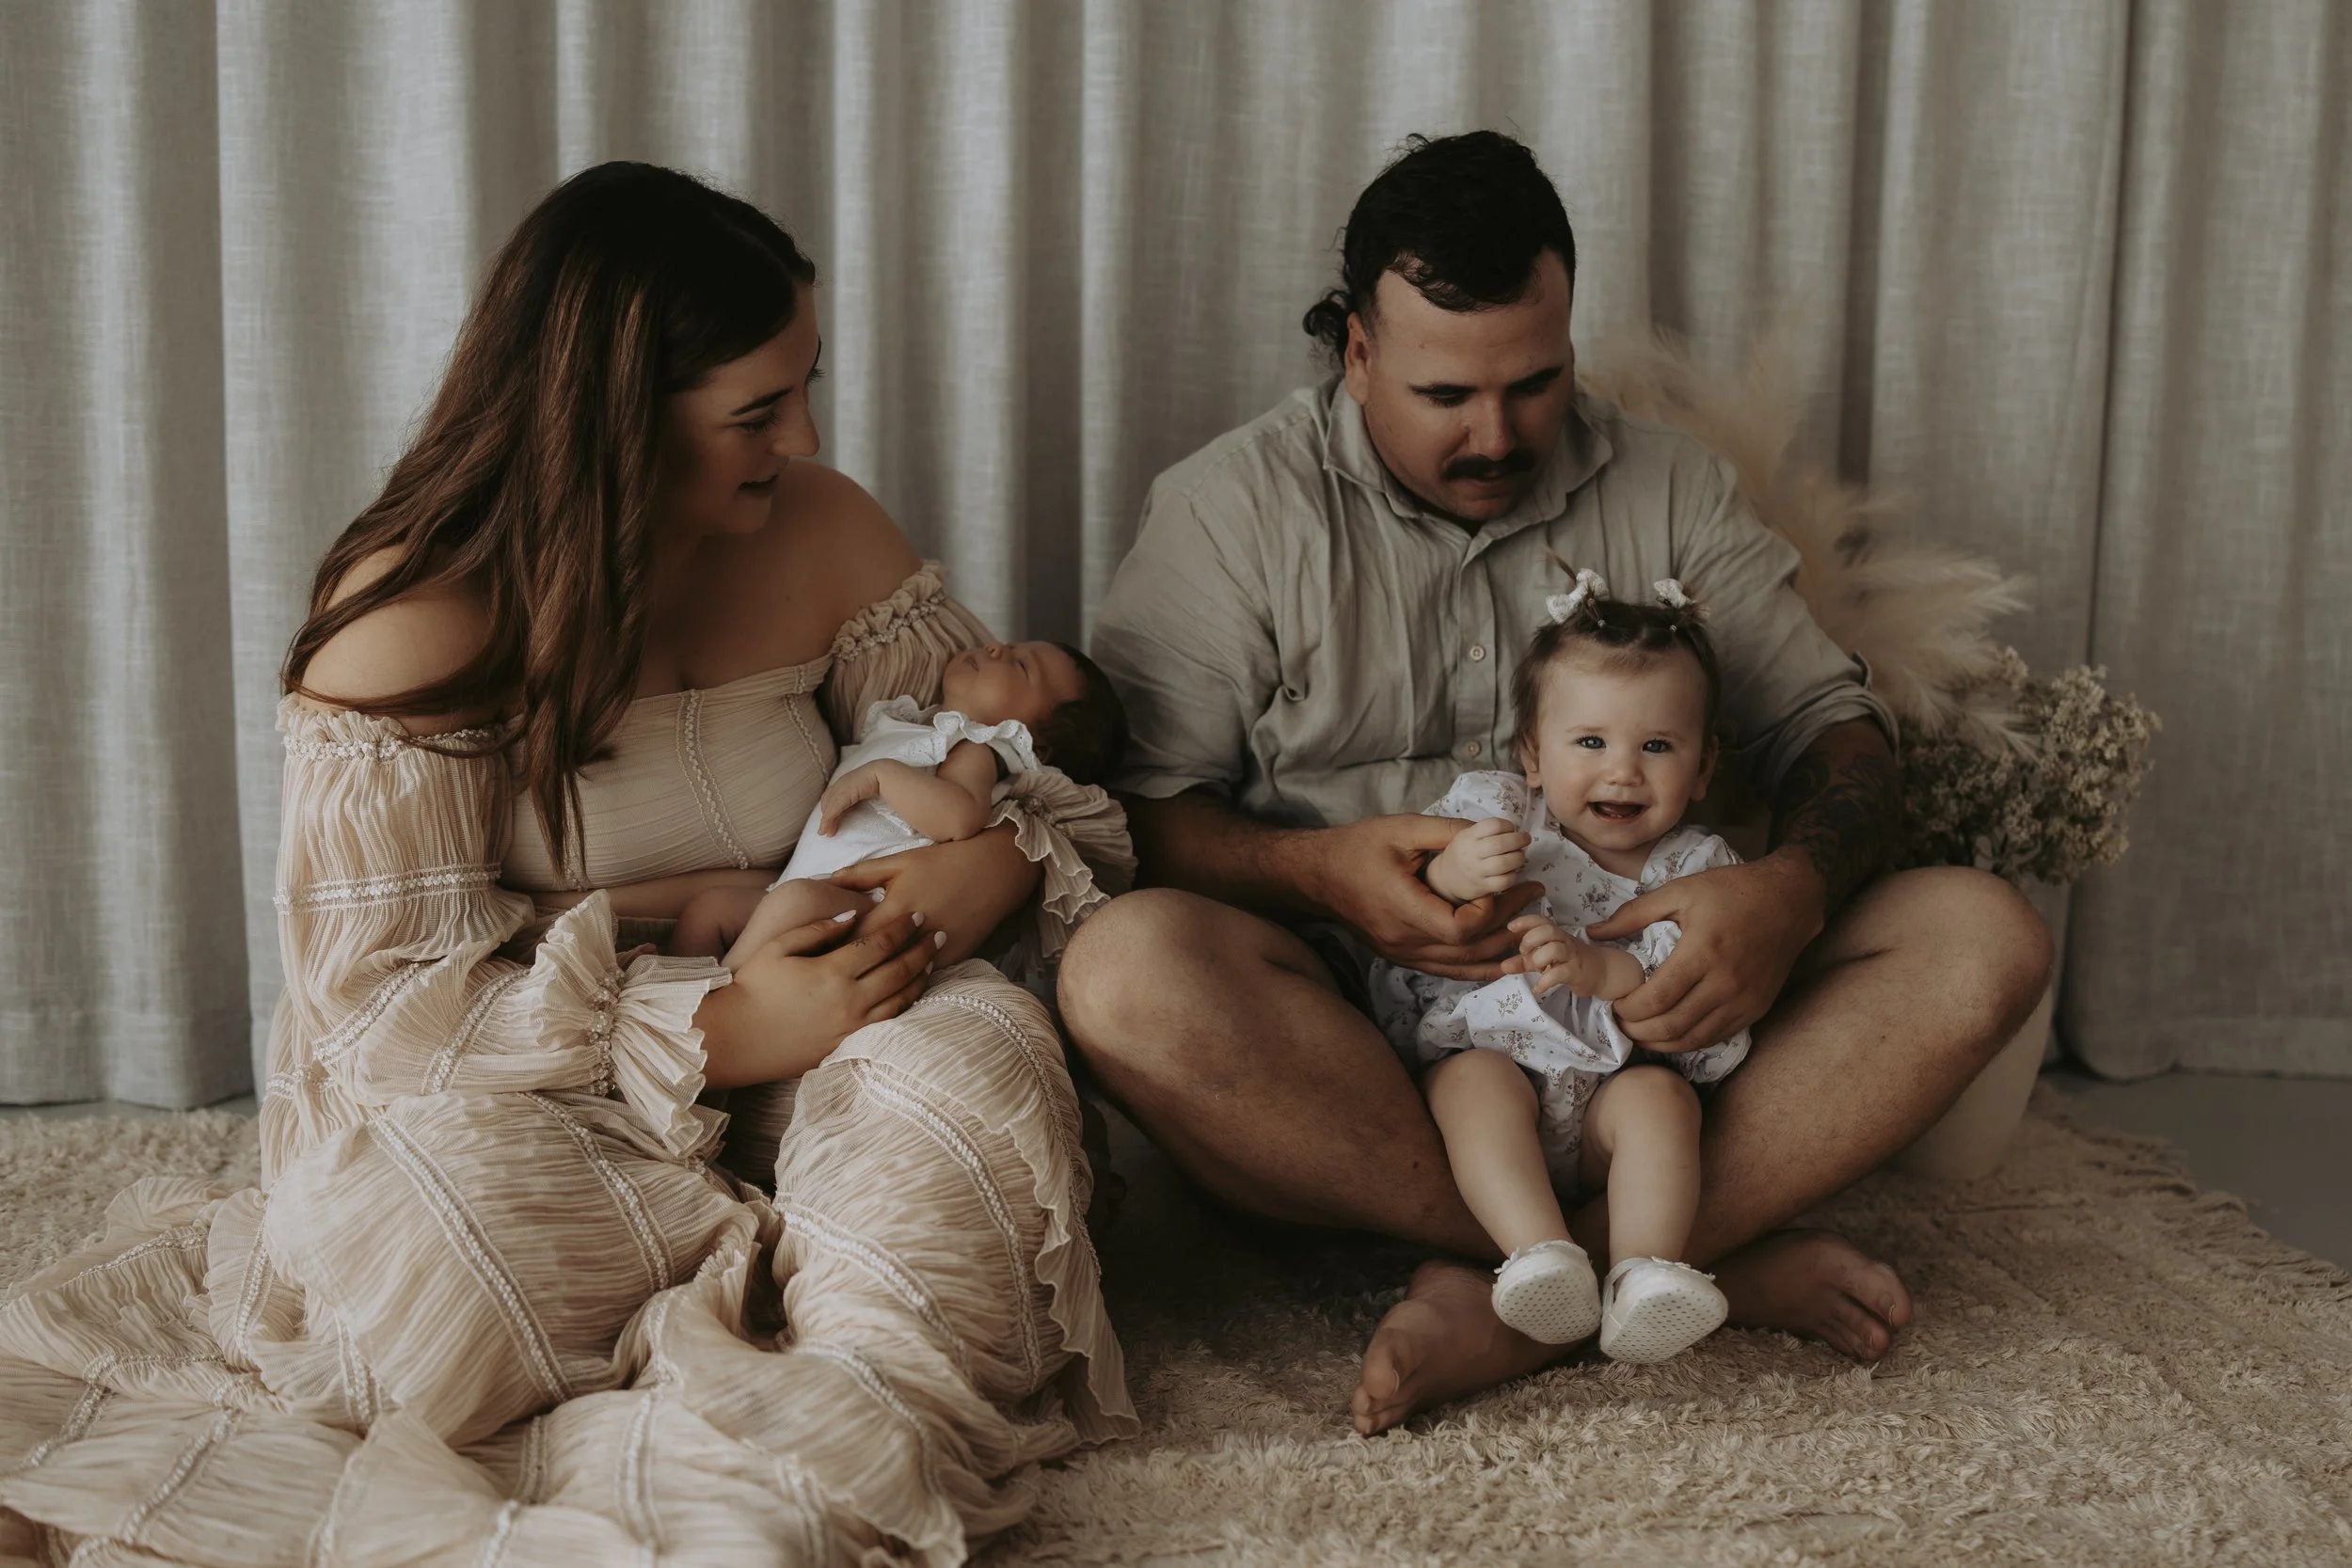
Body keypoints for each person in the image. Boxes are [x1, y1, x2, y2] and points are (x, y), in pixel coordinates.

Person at [0, 163, 1132, 1564]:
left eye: (802, 388)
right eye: (756, 412)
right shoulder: (412, 618)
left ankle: (846, 1423)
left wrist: (972, 887)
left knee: (979, 1070)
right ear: (612, 422)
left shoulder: (828, 531)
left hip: (850, 1010)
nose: (805, 433)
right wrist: (716, 1025)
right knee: (428, 1257)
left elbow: (1018, 768)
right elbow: (383, 1007)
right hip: (535, 1087)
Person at [1060, 131, 2052, 1435]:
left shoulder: (1671, 486)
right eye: (1443, 394)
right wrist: (1322, 875)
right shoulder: (1228, 512)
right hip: (1367, 1050)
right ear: (1357, 350)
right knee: (1119, 972)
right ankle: (1683, 1262)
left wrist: (1790, 893)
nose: (1495, 434)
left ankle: (1533, 1292)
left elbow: (1837, 730)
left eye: (1534, 383)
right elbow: (1129, 816)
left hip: (1653, 1036)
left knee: (1985, 936)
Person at [1370, 569, 1747, 1362]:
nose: (1622, 770)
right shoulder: (1500, 813)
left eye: (1656, 745)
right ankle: (1542, 1256)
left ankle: (1642, 1275)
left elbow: (1693, 1007)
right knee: (1470, 1082)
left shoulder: (1700, 870)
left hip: (1613, 1092)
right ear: (1531, 754)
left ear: (1704, 765)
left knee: (1663, 1102)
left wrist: (1601, 970)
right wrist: (1455, 872)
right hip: (1499, 1065)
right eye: (1590, 742)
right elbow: (1413, 905)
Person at [656, 639, 1129, 968]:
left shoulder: (977, 748)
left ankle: (720, 996)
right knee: (708, 910)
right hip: (802, 889)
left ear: (1034, 745)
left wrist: (882, 776)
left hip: (857, 909)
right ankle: (668, 998)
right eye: (1009, 645)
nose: (995, 647)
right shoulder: (917, 725)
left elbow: (960, 817)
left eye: (1022, 666)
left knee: (789, 903)